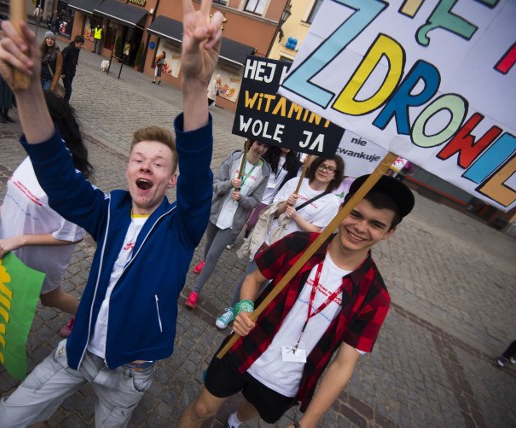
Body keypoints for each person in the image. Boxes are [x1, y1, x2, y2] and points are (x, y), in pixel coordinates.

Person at [0, 1, 222, 425]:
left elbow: (198, 169)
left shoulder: (181, 226)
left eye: (158, 163)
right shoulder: (107, 211)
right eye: (138, 159)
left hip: (130, 372)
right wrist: (26, 92)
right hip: (75, 352)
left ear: (171, 180)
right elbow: (58, 177)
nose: (146, 166)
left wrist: (193, 85)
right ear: (128, 169)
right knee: (6, 418)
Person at [178, 174, 415, 428]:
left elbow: (344, 364)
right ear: (343, 207)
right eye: (355, 214)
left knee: (252, 408)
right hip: (244, 347)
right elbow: (254, 278)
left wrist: (308, 423)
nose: (360, 227)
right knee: (202, 409)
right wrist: (245, 307)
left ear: (389, 233)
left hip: (287, 382)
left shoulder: (376, 296)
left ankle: (236, 419)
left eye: (376, 224)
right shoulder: (300, 244)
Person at [0, 92, 92, 383]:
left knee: (49, 299)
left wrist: (22, 240)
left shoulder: (69, 176)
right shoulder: (35, 157)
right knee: (2, 302)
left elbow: (72, 235)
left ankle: (87, 318)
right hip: (8, 251)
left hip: (38, 259)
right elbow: (17, 198)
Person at [215, 155, 344, 329]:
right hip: (270, 242)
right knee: (250, 278)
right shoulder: (296, 183)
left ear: (336, 175)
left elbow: (317, 232)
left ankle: (248, 319)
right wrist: (285, 205)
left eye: (330, 168)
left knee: (270, 287)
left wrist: (296, 217)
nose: (325, 170)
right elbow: (272, 211)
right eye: (322, 165)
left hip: (292, 252)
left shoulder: (332, 202)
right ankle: (232, 310)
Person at [186, 140, 271, 309]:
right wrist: (230, 184)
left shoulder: (264, 171)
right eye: (258, 144)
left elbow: (255, 202)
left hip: (233, 222)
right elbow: (215, 184)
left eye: (265, 146)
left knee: (213, 256)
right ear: (250, 143)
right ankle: (203, 262)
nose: (260, 149)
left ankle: (195, 291)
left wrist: (242, 199)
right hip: (216, 212)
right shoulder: (235, 158)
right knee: (208, 245)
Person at [241, 146, 302, 241]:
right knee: (242, 216)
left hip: (269, 197)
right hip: (256, 191)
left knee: (252, 221)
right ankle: (232, 237)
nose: (286, 147)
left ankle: (247, 231)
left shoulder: (294, 163)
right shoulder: (268, 155)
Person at [60, 35, 83, 102]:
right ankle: (65, 105)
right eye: (80, 44)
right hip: (66, 73)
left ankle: (63, 103)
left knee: (67, 90)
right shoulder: (68, 49)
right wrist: (62, 73)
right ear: (76, 42)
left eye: (82, 45)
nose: (81, 46)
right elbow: (62, 61)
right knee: (68, 90)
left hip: (71, 72)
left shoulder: (77, 49)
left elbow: (74, 59)